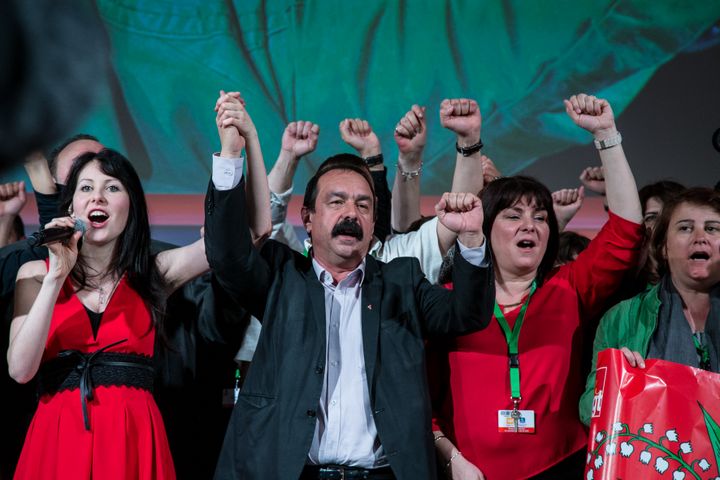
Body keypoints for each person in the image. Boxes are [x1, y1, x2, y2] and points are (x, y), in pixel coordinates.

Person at [205, 93, 495, 478]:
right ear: (307, 218)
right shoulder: (282, 276)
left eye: (363, 205)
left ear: (375, 222)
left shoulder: (401, 280)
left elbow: (468, 314)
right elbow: (226, 254)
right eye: (337, 202)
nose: (351, 214)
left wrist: (473, 240)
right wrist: (230, 153)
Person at [428, 93, 644, 479]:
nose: (530, 225)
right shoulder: (447, 303)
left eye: (540, 217)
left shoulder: (568, 289)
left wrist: (607, 135)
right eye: (513, 216)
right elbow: (416, 399)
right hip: (468, 473)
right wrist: (451, 460)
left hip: (560, 466)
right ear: (485, 227)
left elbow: (626, 232)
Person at [8, 149, 210, 479]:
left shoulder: (154, 273)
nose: (97, 197)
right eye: (85, 188)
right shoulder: (34, 273)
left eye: (113, 188)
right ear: (71, 207)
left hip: (133, 437)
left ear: (131, 206)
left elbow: (243, 238)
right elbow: (20, 370)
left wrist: (234, 153)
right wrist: (56, 276)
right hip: (58, 436)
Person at [580, 187, 720, 424]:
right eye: (685, 228)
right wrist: (616, 379)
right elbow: (587, 412)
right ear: (663, 246)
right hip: (655, 458)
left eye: (712, 228)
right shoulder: (621, 317)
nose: (700, 236)